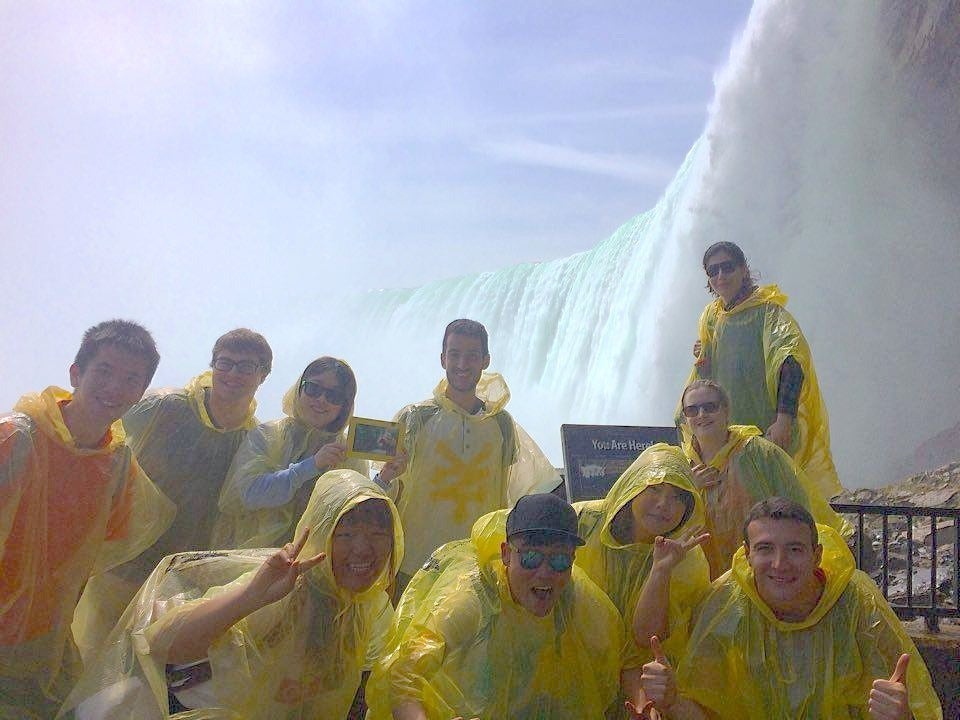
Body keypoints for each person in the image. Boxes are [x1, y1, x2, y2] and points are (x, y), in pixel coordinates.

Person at [59, 469, 403, 719]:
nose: (363, 549)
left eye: (377, 534)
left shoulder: (367, 606)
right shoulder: (287, 586)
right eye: (345, 535)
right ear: (319, 534)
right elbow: (163, 644)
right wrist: (250, 598)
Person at [0, 319, 175, 718]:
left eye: (131, 378)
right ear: (76, 373)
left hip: (45, 639)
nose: (115, 388)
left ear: (142, 392)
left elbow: (109, 543)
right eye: (104, 371)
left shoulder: (116, 463)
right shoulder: (15, 438)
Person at [639, 498, 943, 720]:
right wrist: (671, 701)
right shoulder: (726, 603)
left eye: (795, 549)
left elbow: (904, 702)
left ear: (817, 555)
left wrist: (902, 716)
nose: (780, 564)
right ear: (747, 555)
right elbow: (704, 709)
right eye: (765, 548)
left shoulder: (858, 604)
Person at [73, 328, 273, 657]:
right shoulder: (165, 406)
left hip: (186, 577)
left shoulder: (253, 440)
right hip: (124, 560)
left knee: (146, 675)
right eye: (225, 363)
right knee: (92, 658)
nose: (233, 374)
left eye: (246, 367)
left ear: (263, 375)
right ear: (211, 365)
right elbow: (97, 426)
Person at [368, 493, 640, 719]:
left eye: (559, 560)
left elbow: (625, 655)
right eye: (531, 557)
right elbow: (404, 674)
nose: (545, 573)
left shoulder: (576, 598)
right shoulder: (473, 597)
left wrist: (644, 702)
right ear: (506, 554)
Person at [384, 319, 560, 592]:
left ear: (485, 360)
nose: (462, 364)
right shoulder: (415, 418)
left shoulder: (501, 424)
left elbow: (520, 492)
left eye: (472, 355)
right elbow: (389, 488)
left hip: (475, 564)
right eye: (454, 354)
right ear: (442, 359)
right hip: (415, 563)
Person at [684, 242, 841, 500]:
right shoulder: (712, 318)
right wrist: (704, 354)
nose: (720, 276)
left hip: (765, 428)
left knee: (771, 500)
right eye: (713, 271)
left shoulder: (768, 312)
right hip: (726, 433)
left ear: (744, 270)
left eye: (727, 267)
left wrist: (784, 420)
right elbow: (709, 375)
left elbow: (791, 363)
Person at [680, 379, 850, 579]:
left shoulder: (758, 453)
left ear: (726, 411)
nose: (701, 415)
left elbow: (798, 505)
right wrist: (688, 489)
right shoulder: (682, 464)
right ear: (685, 417)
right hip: (704, 581)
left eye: (710, 407)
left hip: (765, 573)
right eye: (692, 410)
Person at [213, 356, 383, 549]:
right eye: (313, 388)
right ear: (299, 389)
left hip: (313, 562)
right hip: (251, 556)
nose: (321, 400)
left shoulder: (347, 451)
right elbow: (248, 494)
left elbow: (357, 514)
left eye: (334, 396)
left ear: (344, 406)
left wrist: (385, 478)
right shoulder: (268, 435)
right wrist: (311, 466)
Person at [573, 443, 710, 672]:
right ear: (633, 487)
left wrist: (661, 571)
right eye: (654, 489)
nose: (663, 505)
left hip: (644, 681)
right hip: (575, 669)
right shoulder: (584, 521)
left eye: (677, 497)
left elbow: (648, 638)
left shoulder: (686, 556)